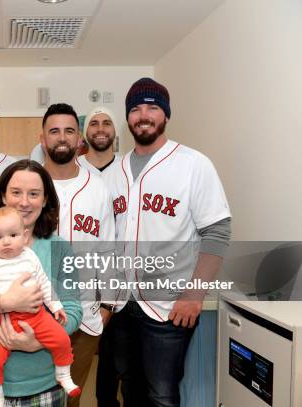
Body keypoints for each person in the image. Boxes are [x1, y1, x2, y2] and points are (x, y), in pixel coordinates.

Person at [109, 77, 231, 406]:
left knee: (162, 394)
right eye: (135, 109)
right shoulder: (115, 171)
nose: (143, 115)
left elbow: (217, 231)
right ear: (128, 118)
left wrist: (194, 295)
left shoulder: (193, 164)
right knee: (130, 388)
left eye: (152, 107)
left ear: (165, 115)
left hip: (168, 307)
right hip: (122, 305)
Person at [0, 159, 82, 407]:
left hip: (42, 384)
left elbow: (73, 311)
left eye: (34, 194)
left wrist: (38, 342)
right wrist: (6, 302)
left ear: (45, 200)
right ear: (2, 195)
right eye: (16, 192)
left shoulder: (59, 246)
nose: (24, 202)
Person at [39, 103, 117, 407]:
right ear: (42, 138)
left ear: (78, 139)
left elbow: (109, 250)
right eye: (54, 131)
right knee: (34, 397)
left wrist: (108, 304)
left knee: (70, 398)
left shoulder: (98, 188)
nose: (62, 137)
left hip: (85, 316)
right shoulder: (27, 184)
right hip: (34, 315)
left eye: (69, 130)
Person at [75, 105, 124, 406]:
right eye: (94, 123)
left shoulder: (127, 169)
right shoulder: (74, 168)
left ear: (115, 131)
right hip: (80, 281)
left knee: (114, 366)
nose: (101, 128)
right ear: (85, 132)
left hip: (118, 280)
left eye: (107, 123)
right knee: (74, 368)